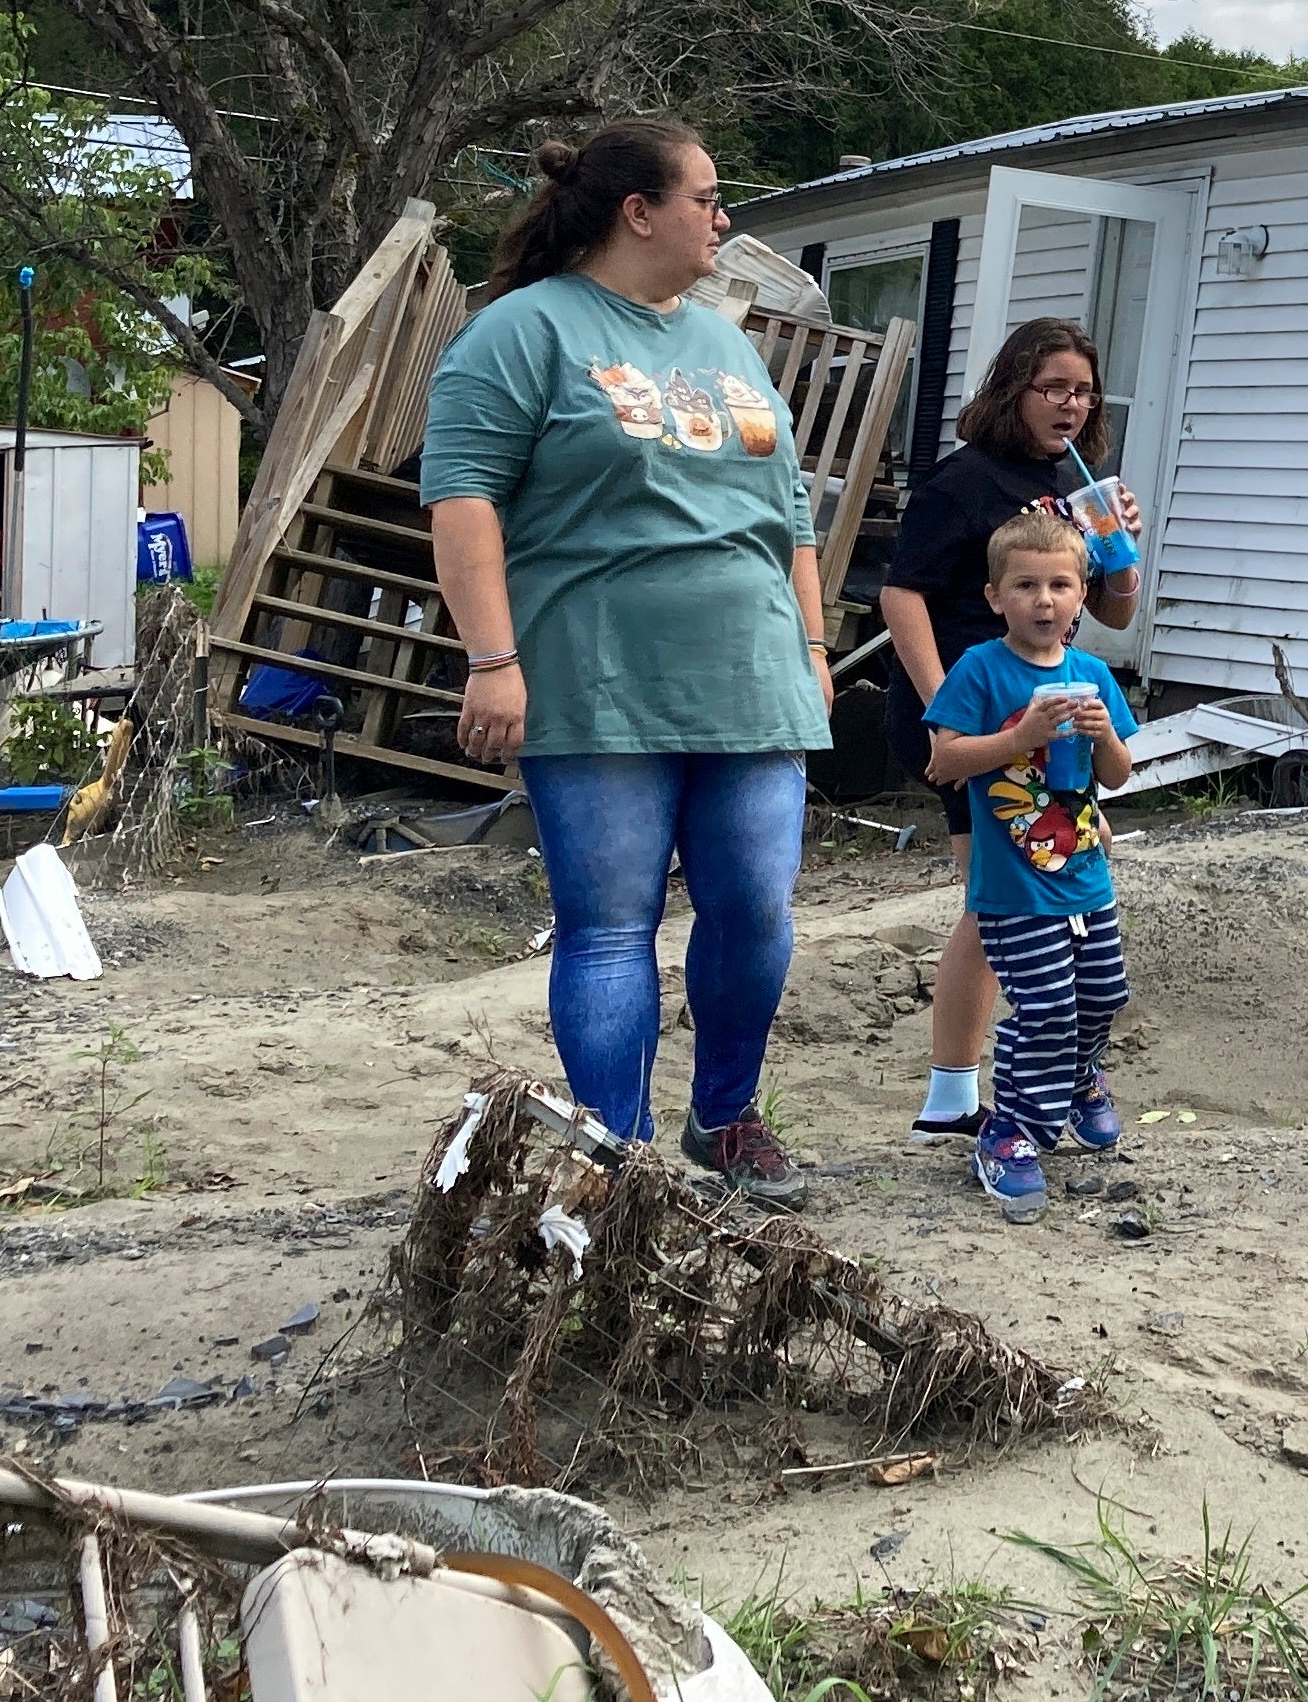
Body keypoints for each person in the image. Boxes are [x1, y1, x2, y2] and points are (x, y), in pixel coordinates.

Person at [423, 119, 831, 1206]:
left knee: (755, 908)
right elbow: (462, 498)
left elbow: (789, 509)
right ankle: (621, 1159)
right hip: (595, 679)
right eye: (706, 197)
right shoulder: (523, 332)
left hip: (752, 674)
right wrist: (491, 661)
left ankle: (725, 1118)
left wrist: (814, 642)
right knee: (612, 926)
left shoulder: (727, 344)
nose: (723, 217)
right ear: (637, 212)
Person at [874, 318, 1141, 1138]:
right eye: (1053, 387)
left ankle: (993, 1085)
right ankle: (957, 1092)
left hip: (1053, 712)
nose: (1071, 404)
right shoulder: (964, 482)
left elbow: (1116, 614)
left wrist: (1121, 544)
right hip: (972, 709)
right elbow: (902, 595)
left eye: (1084, 390)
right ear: (1015, 388)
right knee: (995, 906)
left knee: (1006, 907)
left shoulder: (1075, 478)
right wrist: (936, 711)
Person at [922, 508, 1141, 1224]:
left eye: (1060, 585)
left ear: (1083, 597)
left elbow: (1117, 775)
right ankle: (1008, 1132)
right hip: (1014, 888)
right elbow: (945, 761)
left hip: (1085, 878)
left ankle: (1080, 1084)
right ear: (996, 598)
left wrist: (1104, 731)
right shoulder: (981, 669)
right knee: (1044, 1007)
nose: (1044, 600)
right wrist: (1020, 735)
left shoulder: (1093, 674)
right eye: (1025, 586)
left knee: (1104, 995)